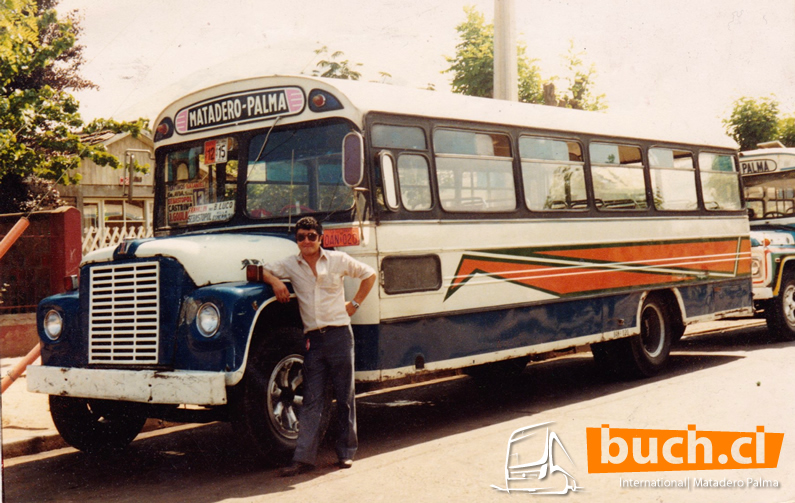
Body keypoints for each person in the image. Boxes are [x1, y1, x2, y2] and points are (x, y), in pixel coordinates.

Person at [260, 216, 376, 476]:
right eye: (301, 236)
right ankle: (303, 459)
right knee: (312, 399)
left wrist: (355, 303)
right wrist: (276, 282)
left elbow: (370, 275)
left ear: (321, 238)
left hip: (339, 336)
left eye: (311, 236)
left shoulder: (338, 260)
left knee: (345, 396)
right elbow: (256, 270)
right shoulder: (291, 264)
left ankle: (346, 454)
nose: (306, 241)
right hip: (314, 340)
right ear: (296, 240)